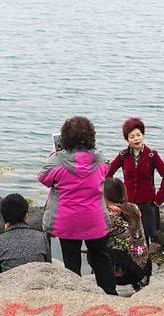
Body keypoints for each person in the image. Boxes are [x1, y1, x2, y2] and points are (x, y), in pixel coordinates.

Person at [38, 116, 117, 295]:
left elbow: (43, 178)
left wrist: (53, 155)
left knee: (71, 261)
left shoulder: (57, 160)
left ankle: (75, 297)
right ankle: (111, 295)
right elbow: (107, 171)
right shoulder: (99, 159)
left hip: (67, 221)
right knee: (102, 259)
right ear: (91, 137)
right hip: (94, 219)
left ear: (64, 138)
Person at [106, 117, 164, 245]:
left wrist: (159, 198)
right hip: (128, 204)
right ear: (127, 139)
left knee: (146, 238)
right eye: (132, 136)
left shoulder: (152, 155)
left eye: (138, 135)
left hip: (147, 203)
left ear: (143, 135)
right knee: (129, 237)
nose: (136, 139)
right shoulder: (123, 156)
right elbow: (108, 175)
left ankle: (146, 263)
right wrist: (114, 198)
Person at [103, 178, 150, 291]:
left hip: (124, 274)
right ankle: (139, 284)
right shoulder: (134, 207)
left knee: (95, 248)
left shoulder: (109, 214)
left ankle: (107, 286)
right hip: (142, 269)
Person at [0, 193, 51, 276]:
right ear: (26, 215)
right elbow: (49, 267)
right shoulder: (42, 238)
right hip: (38, 282)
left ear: (3, 217)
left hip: (10, 286)